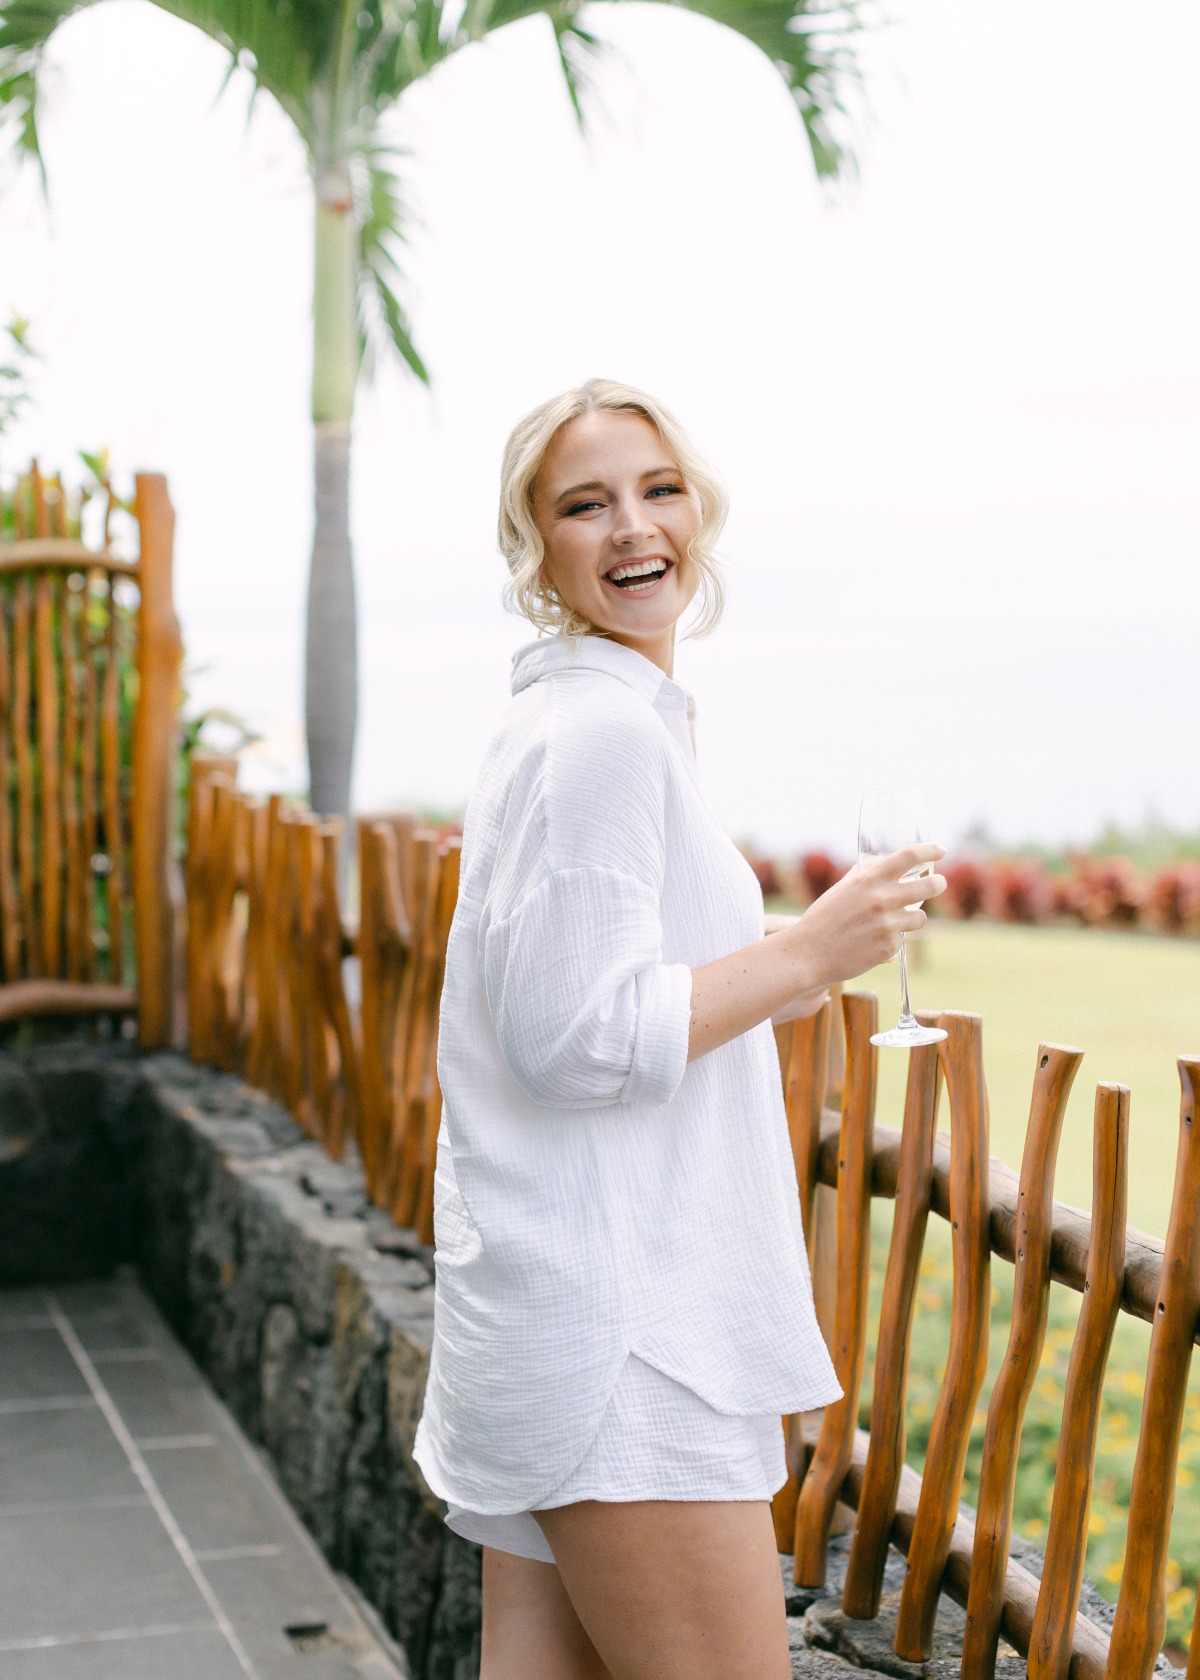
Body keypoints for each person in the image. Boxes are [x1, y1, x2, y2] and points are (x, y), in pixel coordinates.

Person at [412, 379, 946, 1680]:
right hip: (629, 1341)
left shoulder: (577, 720)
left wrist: (794, 966)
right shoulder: (600, 734)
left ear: (697, 509)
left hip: (568, 1315)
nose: (633, 526)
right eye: (584, 504)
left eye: (657, 490)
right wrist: (809, 950)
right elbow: (573, 1035)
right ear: (534, 548)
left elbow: (603, 993)